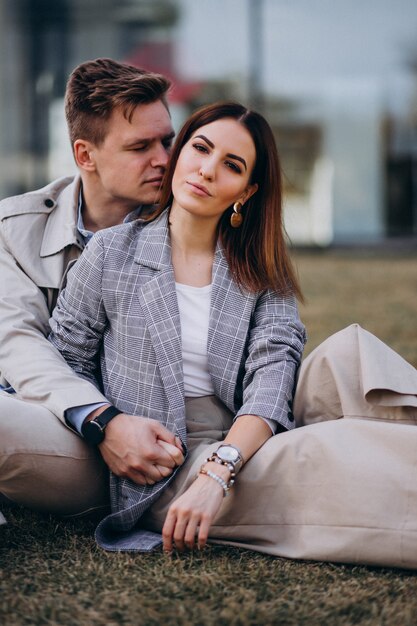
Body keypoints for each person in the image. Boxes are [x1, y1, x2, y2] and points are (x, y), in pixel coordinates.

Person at [49, 101, 417, 569]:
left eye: (231, 166)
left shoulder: (259, 268)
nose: (206, 170)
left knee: (353, 352)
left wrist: (219, 471)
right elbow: (64, 361)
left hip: (245, 429)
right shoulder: (110, 253)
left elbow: (272, 376)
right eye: (200, 149)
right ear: (181, 152)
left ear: (246, 190)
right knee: (325, 450)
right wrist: (107, 427)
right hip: (164, 454)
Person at [0, 57, 181, 518]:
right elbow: (17, 343)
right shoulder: (14, 230)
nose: (164, 159)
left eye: (167, 141)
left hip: (160, 446)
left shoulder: (195, 224)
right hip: (68, 427)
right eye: (141, 147)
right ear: (85, 156)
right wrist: (103, 421)